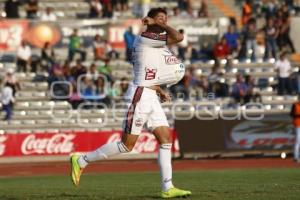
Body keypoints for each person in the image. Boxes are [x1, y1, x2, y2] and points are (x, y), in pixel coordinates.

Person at [70, 7, 191, 199]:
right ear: (149, 20)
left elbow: (148, 71)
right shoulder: (146, 37)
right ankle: (82, 159)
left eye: (165, 18)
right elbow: (179, 37)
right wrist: (161, 25)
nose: (163, 21)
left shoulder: (157, 45)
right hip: (140, 95)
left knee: (165, 139)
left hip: (150, 94)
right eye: (159, 18)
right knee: (127, 145)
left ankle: (167, 187)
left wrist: (159, 90)